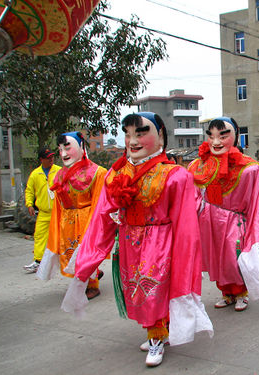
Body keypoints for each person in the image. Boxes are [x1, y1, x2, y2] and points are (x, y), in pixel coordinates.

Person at [61, 112, 213, 368]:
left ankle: (155, 336)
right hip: (129, 242)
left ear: (160, 134)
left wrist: (185, 259)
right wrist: (89, 257)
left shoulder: (176, 175)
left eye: (141, 133)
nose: (132, 140)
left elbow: (186, 225)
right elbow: (102, 218)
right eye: (128, 134)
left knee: (152, 289)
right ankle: (158, 331)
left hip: (161, 243)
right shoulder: (116, 174)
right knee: (136, 291)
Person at [188, 117, 259, 312]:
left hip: (234, 219)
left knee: (233, 257)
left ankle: (241, 291)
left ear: (235, 136)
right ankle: (226, 292)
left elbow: (255, 202)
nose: (216, 142)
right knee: (216, 258)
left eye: (223, 136)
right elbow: (193, 194)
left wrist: (252, 227)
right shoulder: (198, 166)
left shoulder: (249, 168)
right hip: (208, 220)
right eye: (212, 136)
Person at [36, 132, 107, 300]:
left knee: (86, 252)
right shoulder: (60, 175)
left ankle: (93, 284)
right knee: (70, 254)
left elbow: (99, 204)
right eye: (60, 149)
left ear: (82, 147)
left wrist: (94, 227)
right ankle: (82, 278)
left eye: (67, 148)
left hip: (86, 219)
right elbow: (58, 205)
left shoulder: (98, 173)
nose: (64, 154)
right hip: (67, 221)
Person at [23, 147, 61, 273]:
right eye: (48, 158)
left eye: (52, 157)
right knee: (39, 236)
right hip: (44, 212)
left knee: (64, 235)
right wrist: (29, 204)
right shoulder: (35, 174)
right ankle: (38, 261)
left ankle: (65, 259)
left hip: (59, 211)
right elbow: (29, 190)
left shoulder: (59, 171)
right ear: (41, 159)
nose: (51, 159)